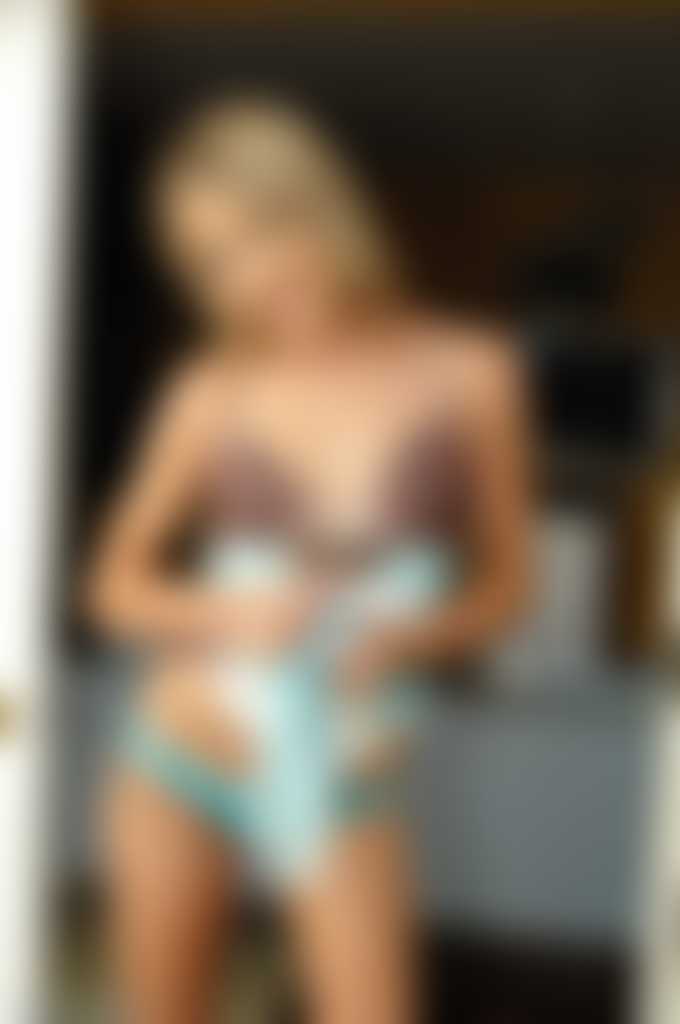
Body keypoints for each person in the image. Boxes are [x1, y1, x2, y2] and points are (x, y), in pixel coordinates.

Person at [82, 95, 531, 1024]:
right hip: (182, 756)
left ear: (321, 205)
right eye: (212, 260)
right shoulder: (210, 390)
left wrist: (409, 637)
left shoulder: (473, 372)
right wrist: (228, 613)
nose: (248, 277)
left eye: (262, 233)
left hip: (345, 766)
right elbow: (112, 587)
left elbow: (508, 590)